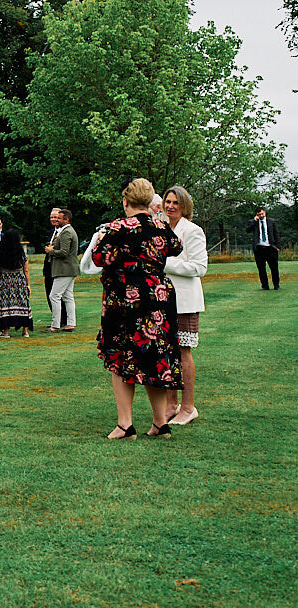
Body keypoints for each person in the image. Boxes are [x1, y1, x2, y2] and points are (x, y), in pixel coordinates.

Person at [90, 178, 184, 440]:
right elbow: (177, 247)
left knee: (120, 358)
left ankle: (125, 425)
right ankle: (160, 423)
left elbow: (99, 258)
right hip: (157, 297)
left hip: (125, 298)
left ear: (126, 201)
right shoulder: (161, 225)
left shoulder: (116, 228)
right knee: (156, 357)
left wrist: (109, 245)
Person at [163, 186, 208, 426]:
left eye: (175, 203)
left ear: (184, 206)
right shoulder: (161, 228)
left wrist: (165, 263)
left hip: (185, 301)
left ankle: (188, 407)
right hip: (162, 300)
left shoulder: (192, 230)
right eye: (168, 201)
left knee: (183, 352)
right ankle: (171, 405)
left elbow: (200, 267)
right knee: (167, 352)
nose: (170, 206)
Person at [0, 226, 33, 338]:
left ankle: (5, 332)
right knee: (23, 303)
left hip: (5, 281)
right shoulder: (21, 253)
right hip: (19, 281)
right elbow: (26, 270)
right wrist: (28, 285)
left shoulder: (0, 253)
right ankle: (25, 331)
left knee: (6, 304)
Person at [44, 208, 80, 332]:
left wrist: (51, 251)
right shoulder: (67, 231)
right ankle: (70, 323)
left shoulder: (67, 232)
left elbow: (64, 252)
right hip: (68, 269)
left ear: (66, 220)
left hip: (65, 269)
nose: (57, 220)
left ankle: (55, 325)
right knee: (68, 296)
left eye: (60, 218)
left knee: (54, 296)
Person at [247, 207, 281, 290]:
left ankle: (276, 285)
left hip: (270, 248)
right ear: (256, 215)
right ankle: (265, 286)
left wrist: (278, 246)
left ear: (265, 213)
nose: (261, 216)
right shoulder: (253, 222)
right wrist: (254, 222)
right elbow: (248, 230)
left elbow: (276, 234)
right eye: (259, 214)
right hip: (259, 249)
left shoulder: (271, 222)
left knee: (274, 268)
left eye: (262, 214)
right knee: (261, 269)